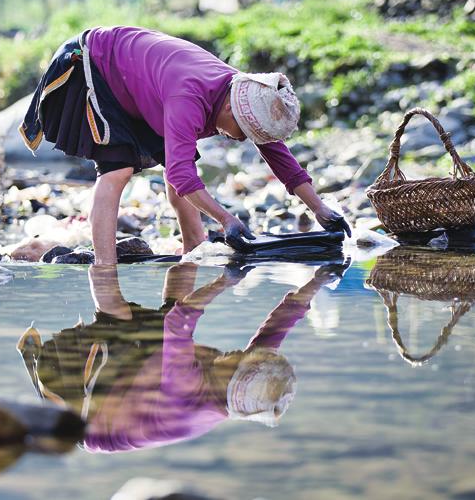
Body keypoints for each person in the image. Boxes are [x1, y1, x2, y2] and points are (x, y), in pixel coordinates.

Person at [20, 26, 351, 265]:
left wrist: (319, 208)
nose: (240, 138)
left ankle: (194, 246)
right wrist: (226, 220)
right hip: (94, 65)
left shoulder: (245, 90)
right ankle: (104, 268)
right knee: (117, 169)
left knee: (178, 163)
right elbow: (180, 174)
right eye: (242, 130)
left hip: (140, 83)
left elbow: (278, 155)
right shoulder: (187, 99)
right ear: (227, 109)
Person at [17, 261, 348, 452]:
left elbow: (178, 323)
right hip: (138, 382)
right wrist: (318, 281)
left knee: (122, 320)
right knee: (162, 324)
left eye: (237, 359)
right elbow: (276, 329)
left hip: (91, 416)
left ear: (229, 381)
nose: (237, 352)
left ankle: (101, 263)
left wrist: (224, 281)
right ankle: (188, 246)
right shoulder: (240, 387)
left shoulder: (186, 392)